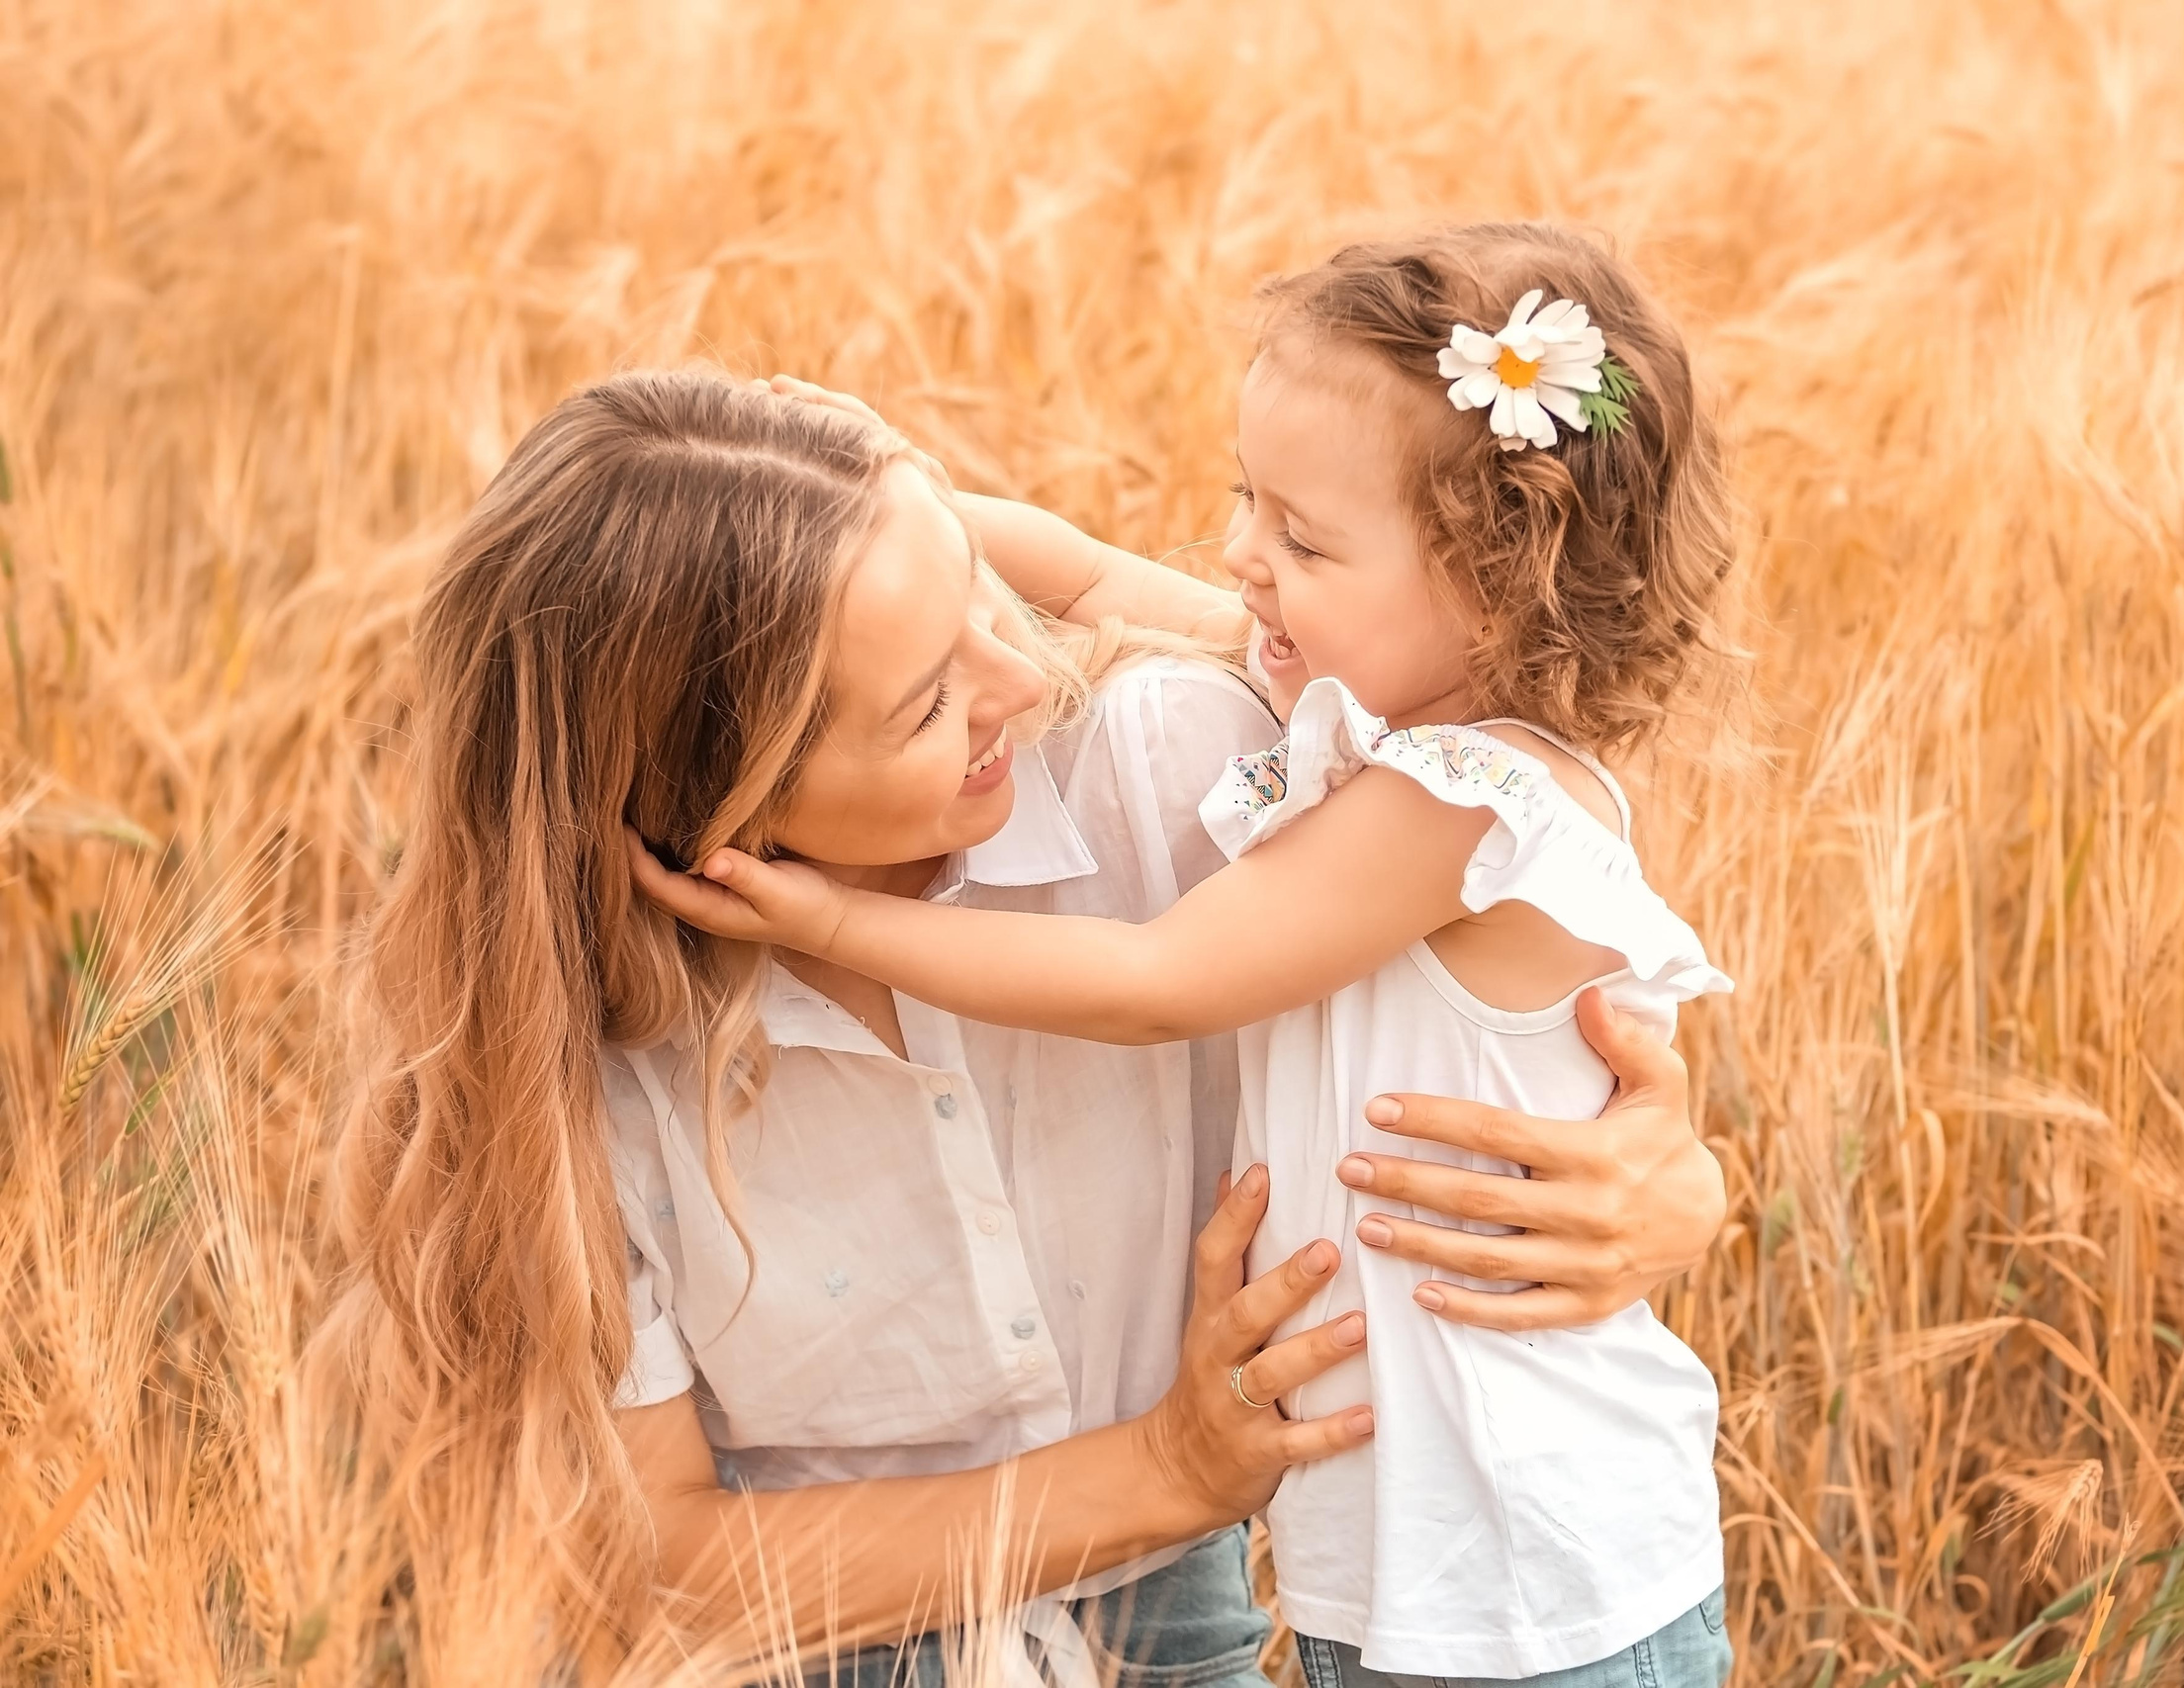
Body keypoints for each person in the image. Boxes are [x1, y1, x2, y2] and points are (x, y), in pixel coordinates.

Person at [321, 360, 1731, 1686]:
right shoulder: (569, 1061)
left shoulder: (1179, 772)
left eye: (986, 608)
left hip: (1181, 1633)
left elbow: (1495, 838)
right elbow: (644, 1570)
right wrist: (1166, 1474)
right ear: (717, 809)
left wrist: (1670, 1175)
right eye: (932, 699)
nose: (1027, 681)